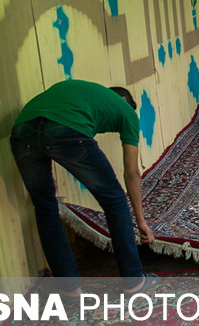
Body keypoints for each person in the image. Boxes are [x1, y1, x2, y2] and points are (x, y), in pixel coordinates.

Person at [10, 80, 157, 294]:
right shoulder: (126, 110)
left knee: (44, 207)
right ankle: (134, 281)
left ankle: (69, 290)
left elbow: (47, 127)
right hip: (65, 129)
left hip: (22, 130)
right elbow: (132, 172)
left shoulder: (84, 94)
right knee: (115, 201)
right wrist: (141, 222)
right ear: (125, 102)